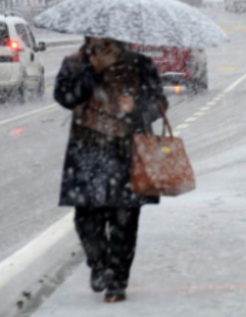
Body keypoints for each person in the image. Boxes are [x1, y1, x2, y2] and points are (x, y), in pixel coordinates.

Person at [54, 37, 168, 303]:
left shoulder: (140, 64)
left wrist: (134, 108)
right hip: (87, 153)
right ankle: (99, 264)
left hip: (128, 153)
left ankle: (117, 280)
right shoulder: (75, 64)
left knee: (124, 221)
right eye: (97, 36)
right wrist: (92, 73)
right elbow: (65, 97)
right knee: (86, 217)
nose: (102, 41)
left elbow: (159, 103)